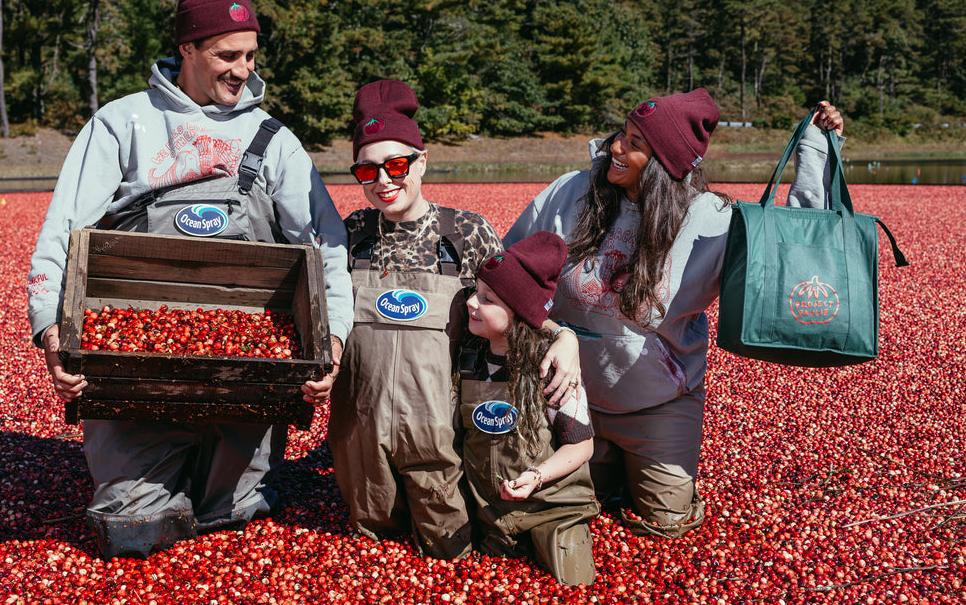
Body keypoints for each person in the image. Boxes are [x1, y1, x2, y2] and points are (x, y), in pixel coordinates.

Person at [27, 0, 353, 560]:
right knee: (131, 530)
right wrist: (52, 330)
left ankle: (231, 477)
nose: (244, 69)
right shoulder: (125, 123)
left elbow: (326, 246)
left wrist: (330, 341)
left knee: (230, 516)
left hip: (245, 374)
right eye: (229, 54)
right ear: (188, 48)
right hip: (136, 369)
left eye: (251, 54)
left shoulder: (272, 139)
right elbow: (64, 229)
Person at [504, 89, 844, 538]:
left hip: (657, 403)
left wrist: (816, 149)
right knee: (558, 511)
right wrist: (553, 333)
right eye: (621, 135)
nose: (615, 148)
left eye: (636, 144)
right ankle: (604, 467)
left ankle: (637, 470)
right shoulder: (572, 192)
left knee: (665, 524)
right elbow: (508, 273)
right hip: (564, 398)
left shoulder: (712, 220)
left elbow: (797, 244)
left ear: (668, 165)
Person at [327, 80, 581, 560]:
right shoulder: (352, 234)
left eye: (396, 164)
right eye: (367, 169)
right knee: (371, 545)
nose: (383, 180)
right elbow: (322, 308)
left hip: (438, 423)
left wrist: (562, 335)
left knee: (450, 549)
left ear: (421, 161)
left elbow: (516, 304)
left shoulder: (464, 232)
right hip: (359, 423)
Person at [457, 231, 600, 586]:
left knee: (572, 583)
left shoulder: (553, 367)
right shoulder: (466, 355)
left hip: (552, 505)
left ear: (519, 314)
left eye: (487, 299)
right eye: (476, 291)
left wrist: (536, 477)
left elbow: (582, 443)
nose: (472, 303)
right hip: (491, 508)